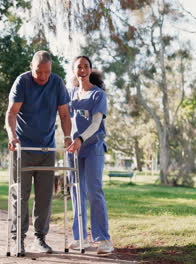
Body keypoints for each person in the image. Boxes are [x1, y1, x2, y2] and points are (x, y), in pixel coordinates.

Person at [5, 50, 72, 254]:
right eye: (38, 72)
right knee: (20, 194)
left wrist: (68, 137)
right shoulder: (22, 82)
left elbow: (64, 114)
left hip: (46, 148)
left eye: (46, 72)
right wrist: (12, 137)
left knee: (44, 196)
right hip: (23, 148)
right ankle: (18, 238)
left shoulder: (57, 83)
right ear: (30, 66)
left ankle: (40, 238)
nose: (42, 77)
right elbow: (11, 113)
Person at [67, 56, 114, 254]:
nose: (82, 70)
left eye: (86, 66)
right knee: (77, 193)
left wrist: (80, 139)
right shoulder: (69, 94)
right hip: (73, 150)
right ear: (74, 71)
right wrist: (68, 139)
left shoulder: (98, 95)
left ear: (90, 70)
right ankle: (80, 238)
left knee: (94, 191)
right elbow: (65, 119)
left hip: (92, 148)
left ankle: (103, 240)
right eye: (79, 67)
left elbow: (95, 124)